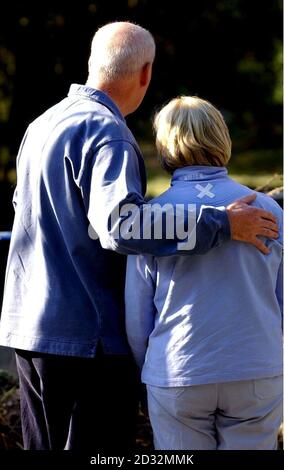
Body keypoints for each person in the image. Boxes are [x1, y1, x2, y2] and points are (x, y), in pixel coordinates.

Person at [0, 22, 279, 450]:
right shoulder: (107, 132)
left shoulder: (41, 125)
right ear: (145, 73)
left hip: (29, 327)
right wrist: (221, 224)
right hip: (85, 338)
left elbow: (27, 214)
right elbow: (122, 225)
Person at [125, 96, 283, 450]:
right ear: (221, 138)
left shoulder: (152, 218)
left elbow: (138, 317)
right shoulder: (271, 211)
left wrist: (146, 373)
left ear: (165, 145)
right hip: (256, 367)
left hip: (177, 370)